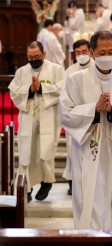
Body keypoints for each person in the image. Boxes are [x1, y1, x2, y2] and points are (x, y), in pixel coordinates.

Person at [59, 30, 112, 234]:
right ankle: (85, 236)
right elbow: (65, 114)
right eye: (102, 51)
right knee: (86, 193)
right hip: (87, 148)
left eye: (111, 51)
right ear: (92, 52)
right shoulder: (75, 80)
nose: (107, 56)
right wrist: (94, 110)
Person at [8, 41, 65, 202]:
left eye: (37, 57)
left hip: (48, 115)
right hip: (28, 115)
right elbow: (14, 91)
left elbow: (63, 88)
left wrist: (41, 88)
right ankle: (25, 187)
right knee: (26, 152)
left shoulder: (56, 69)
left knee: (45, 151)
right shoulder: (21, 72)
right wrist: (29, 90)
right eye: (30, 57)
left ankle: (47, 181)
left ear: (44, 54)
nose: (33, 60)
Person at [62, 39, 95, 195]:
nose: (81, 55)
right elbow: (64, 96)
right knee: (72, 151)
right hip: (76, 117)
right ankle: (73, 182)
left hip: (94, 117)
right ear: (74, 55)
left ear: (90, 51)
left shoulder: (98, 68)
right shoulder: (69, 72)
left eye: (84, 52)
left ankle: (92, 183)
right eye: (78, 53)